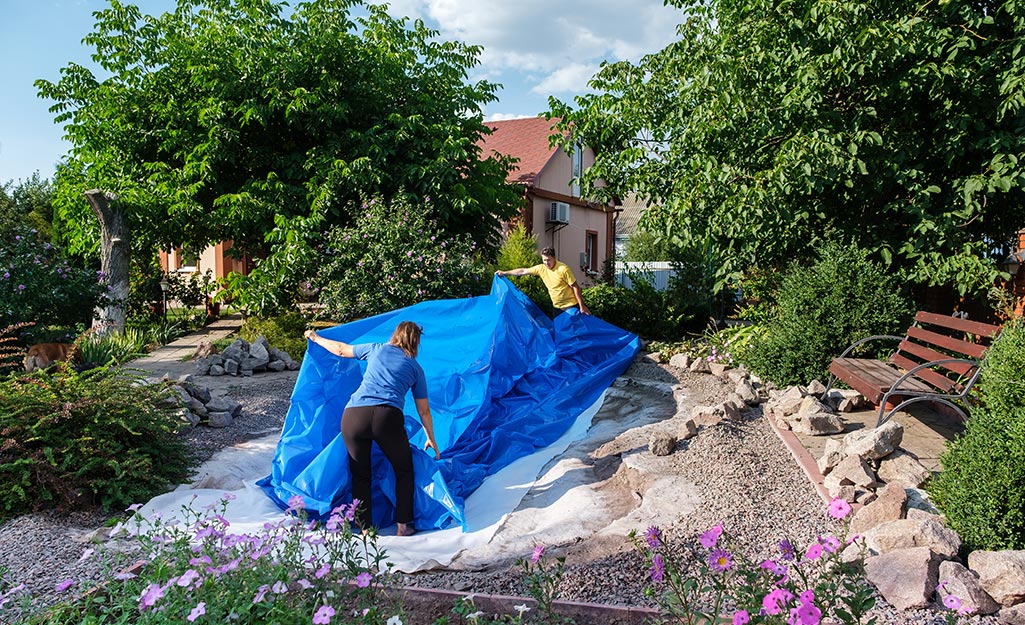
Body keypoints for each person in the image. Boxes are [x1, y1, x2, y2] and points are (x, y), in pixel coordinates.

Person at [304, 321, 440, 536]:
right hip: (387, 417)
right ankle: (403, 525)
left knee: (360, 474)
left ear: (395, 335)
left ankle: (365, 528)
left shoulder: (375, 349)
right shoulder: (415, 368)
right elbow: (424, 411)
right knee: (403, 470)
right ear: (416, 341)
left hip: (354, 415)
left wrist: (315, 338)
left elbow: (340, 349)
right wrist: (431, 438)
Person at [496, 246, 591, 316]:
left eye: (548, 260)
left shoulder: (563, 269)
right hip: (557, 308)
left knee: (573, 335)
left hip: (571, 307)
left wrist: (581, 306)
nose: (546, 263)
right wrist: (504, 273)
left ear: (554, 258)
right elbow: (523, 271)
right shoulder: (541, 268)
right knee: (560, 335)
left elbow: (575, 287)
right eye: (544, 260)